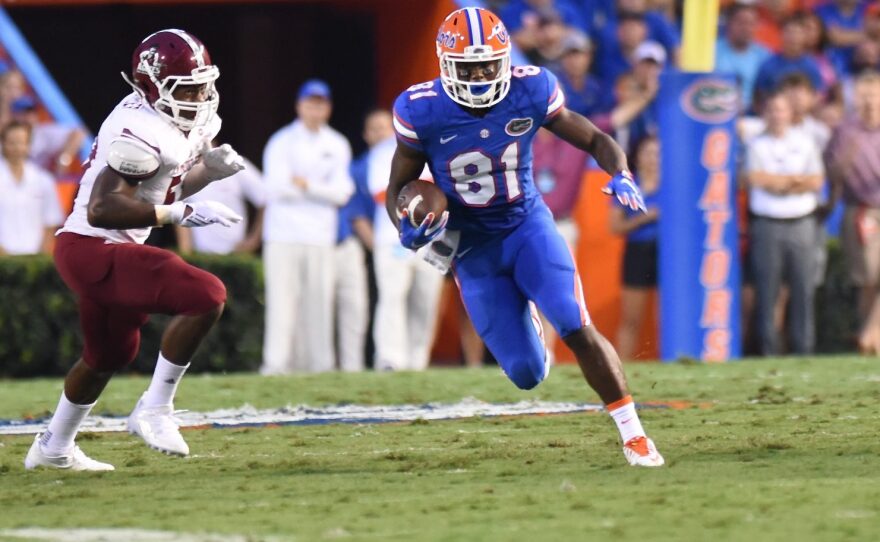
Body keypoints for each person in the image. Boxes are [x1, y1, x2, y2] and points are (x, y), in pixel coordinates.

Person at [387, 7, 663, 466]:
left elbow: (594, 137)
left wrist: (621, 171)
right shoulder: (421, 109)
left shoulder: (531, 88)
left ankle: (634, 436)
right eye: (467, 67)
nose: (478, 76)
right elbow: (399, 186)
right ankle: (527, 323)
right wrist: (407, 228)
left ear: (505, 59)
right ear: (445, 65)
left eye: (487, 65)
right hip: (471, 246)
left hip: (526, 225)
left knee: (575, 324)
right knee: (526, 373)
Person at [24, 29, 246, 471]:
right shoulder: (138, 128)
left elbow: (163, 186)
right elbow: (105, 208)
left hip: (104, 247)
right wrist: (181, 215)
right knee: (206, 295)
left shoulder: (180, 123)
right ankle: (155, 409)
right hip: (92, 247)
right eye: (188, 87)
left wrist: (205, 175)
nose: (201, 95)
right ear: (153, 86)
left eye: (203, 83)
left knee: (108, 355)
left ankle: (52, 448)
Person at [260, 79, 354, 374]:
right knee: (281, 301)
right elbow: (275, 188)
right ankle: (275, 365)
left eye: (321, 104)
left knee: (320, 302)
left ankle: (321, 366)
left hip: (319, 235)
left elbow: (343, 193)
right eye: (310, 103)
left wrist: (307, 185)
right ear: (299, 106)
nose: (315, 109)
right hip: (282, 234)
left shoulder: (337, 144)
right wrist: (320, 190)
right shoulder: (281, 141)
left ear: (328, 108)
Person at [745, 92, 824, 356]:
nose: (777, 115)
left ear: (791, 113)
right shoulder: (757, 144)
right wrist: (793, 182)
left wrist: (779, 182)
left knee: (803, 290)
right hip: (767, 223)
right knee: (767, 291)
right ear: (766, 113)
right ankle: (769, 351)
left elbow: (815, 180)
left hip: (801, 222)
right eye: (772, 110)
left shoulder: (805, 142)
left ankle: (804, 351)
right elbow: (755, 178)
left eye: (782, 110)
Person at [369, 133, 444, 371]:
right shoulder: (384, 151)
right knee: (392, 297)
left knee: (426, 300)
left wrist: (422, 193)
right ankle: (390, 359)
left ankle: (417, 360)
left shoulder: (440, 146)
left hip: (435, 238)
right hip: (394, 238)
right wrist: (422, 196)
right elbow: (381, 193)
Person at [824, 70, 880, 352]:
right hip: (860, 210)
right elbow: (832, 173)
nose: (870, 100)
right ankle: (870, 336)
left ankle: (870, 332)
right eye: (865, 94)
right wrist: (846, 157)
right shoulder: (846, 131)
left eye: (874, 94)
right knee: (867, 279)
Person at [335, 109, 389, 372]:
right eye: (375, 128)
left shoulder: (412, 160)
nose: (381, 133)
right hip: (370, 245)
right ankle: (373, 362)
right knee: (374, 305)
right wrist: (380, 250)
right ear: (366, 135)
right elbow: (356, 215)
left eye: (385, 127)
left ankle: (415, 362)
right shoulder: (359, 168)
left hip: (405, 247)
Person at [611, 136, 660, 361]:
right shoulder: (626, 185)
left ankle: (672, 361)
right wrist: (644, 218)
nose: (653, 159)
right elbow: (614, 226)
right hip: (638, 250)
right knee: (631, 317)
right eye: (648, 153)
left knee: (669, 315)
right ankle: (623, 365)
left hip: (668, 253)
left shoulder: (673, 185)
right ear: (637, 158)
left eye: (657, 154)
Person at [176, 151, 265, 255]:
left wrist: (253, 241)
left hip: (235, 253)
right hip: (201, 255)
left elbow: (266, 198)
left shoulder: (235, 163)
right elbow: (179, 210)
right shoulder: (183, 170)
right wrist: (186, 252)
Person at [0, 120, 64, 255]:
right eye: (12, 142)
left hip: (34, 258)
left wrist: (39, 258)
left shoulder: (44, 180)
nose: (17, 148)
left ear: (28, 145)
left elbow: (51, 222)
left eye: (21, 142)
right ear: (3, 144)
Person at [715, 2, 772, 113]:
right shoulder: (712, 51)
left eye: (751, 23)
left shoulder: (765, 56)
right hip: (718, 112)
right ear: (729, 23)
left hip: (753, 116)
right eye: (741, 22)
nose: (746, 28)